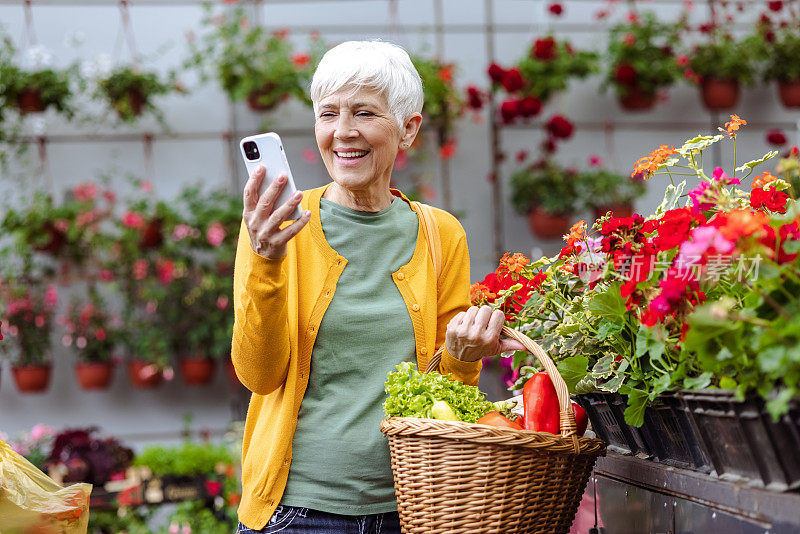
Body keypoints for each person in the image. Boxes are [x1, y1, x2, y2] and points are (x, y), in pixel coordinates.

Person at [232, 40, 523, 534]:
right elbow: (258, 375)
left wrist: (463, 354)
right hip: (297, 514)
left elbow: (446, 403)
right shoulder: (276, 230)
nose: (343, 132)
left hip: (415, 508)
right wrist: (266, 262)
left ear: (408, 128)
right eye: (328, 114)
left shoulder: (441, 234)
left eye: (364, 112)